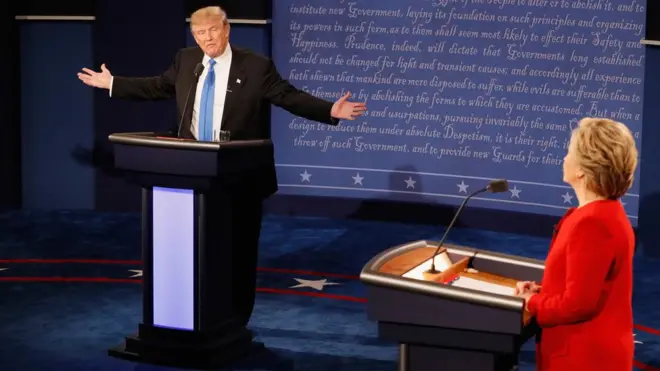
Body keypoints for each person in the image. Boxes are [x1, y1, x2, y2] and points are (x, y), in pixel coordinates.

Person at [77, 6, 367, 326]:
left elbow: (289, 97)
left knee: (238, 253)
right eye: (200, 34)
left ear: (226, 29)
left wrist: (330, 110)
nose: (207, 39)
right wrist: (113, 83)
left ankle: (235, 322)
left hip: (238, 176)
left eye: (212, 31)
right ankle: (194, 316)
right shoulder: (186, 61)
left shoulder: (256, 67)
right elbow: (156, 86)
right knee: (195, 252)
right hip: (190, 174)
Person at [514, 117, 637, 370]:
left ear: (583, 170)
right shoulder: (606, 213)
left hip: (584, 357)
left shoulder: (592, 223)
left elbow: (578, 304)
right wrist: (544, 292)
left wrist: (532, 302)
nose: (564, 159)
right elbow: (586, 286)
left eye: (569, 152)